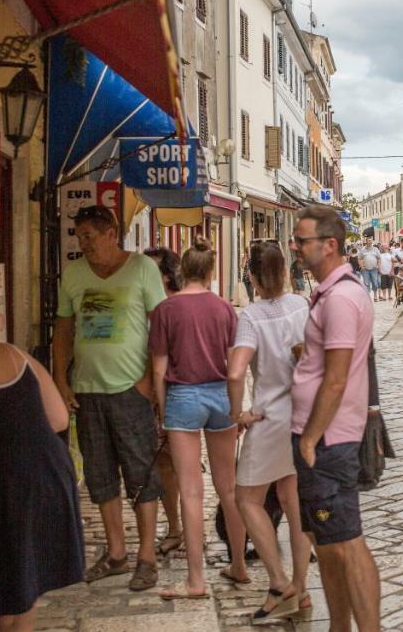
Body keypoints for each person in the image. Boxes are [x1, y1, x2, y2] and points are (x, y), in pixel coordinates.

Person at [52, 205, 165, 592]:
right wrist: (61, 381)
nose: (83, 244)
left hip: (129, 390)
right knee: (100, 477)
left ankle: (146, 556)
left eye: (89, 236)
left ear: (111, 233)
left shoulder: (142, 270)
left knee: (141, 475)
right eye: (79, 236)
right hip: (87, 391)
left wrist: (149, 380)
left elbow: (160, 327)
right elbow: (63, 329)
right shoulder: (74, 274)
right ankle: (117, 554)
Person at [288, 206, 380, 632]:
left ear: (329, 244)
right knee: (328, 543)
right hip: (324, 437)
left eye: (302, 240)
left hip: (328, 441)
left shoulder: (341, 298)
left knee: (347, 542)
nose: (295, 247)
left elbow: (337, 379)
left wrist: (310, 438)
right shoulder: (330, 293)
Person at [149, 243, 247, 599]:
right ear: (210, 272)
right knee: (230, 488)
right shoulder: (224, 309)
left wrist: (163, 411)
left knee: (191, 491)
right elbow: (236, 364)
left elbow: (159, 369)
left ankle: (195, 579)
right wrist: (236, 408)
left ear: (181, 272)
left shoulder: (166, 309)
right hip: (221, 395)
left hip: (183, 397)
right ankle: (238, 564)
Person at [226, 241, 313, 621]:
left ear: (253, 275)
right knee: (293, 502)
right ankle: (303, 588)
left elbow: (234, 370)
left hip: (267, 419)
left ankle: (278, 579)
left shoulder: (251, 316)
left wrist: (237, 413)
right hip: (300, 416)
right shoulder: (302, 305)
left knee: (247, 499)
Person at [0, 341, 83, 631]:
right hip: (47, 475)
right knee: (24, 592)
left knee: (3, 597)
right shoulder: (14, 355)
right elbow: (60, 419)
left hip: (5, 485)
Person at [143, 247, 184, 560]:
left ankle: (181, 529)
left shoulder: (175, 308)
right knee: (162, 466)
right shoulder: (143, 307)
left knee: (174, 465)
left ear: (167, 276)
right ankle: (175, 527)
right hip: (148, 397)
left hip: (174, 396)